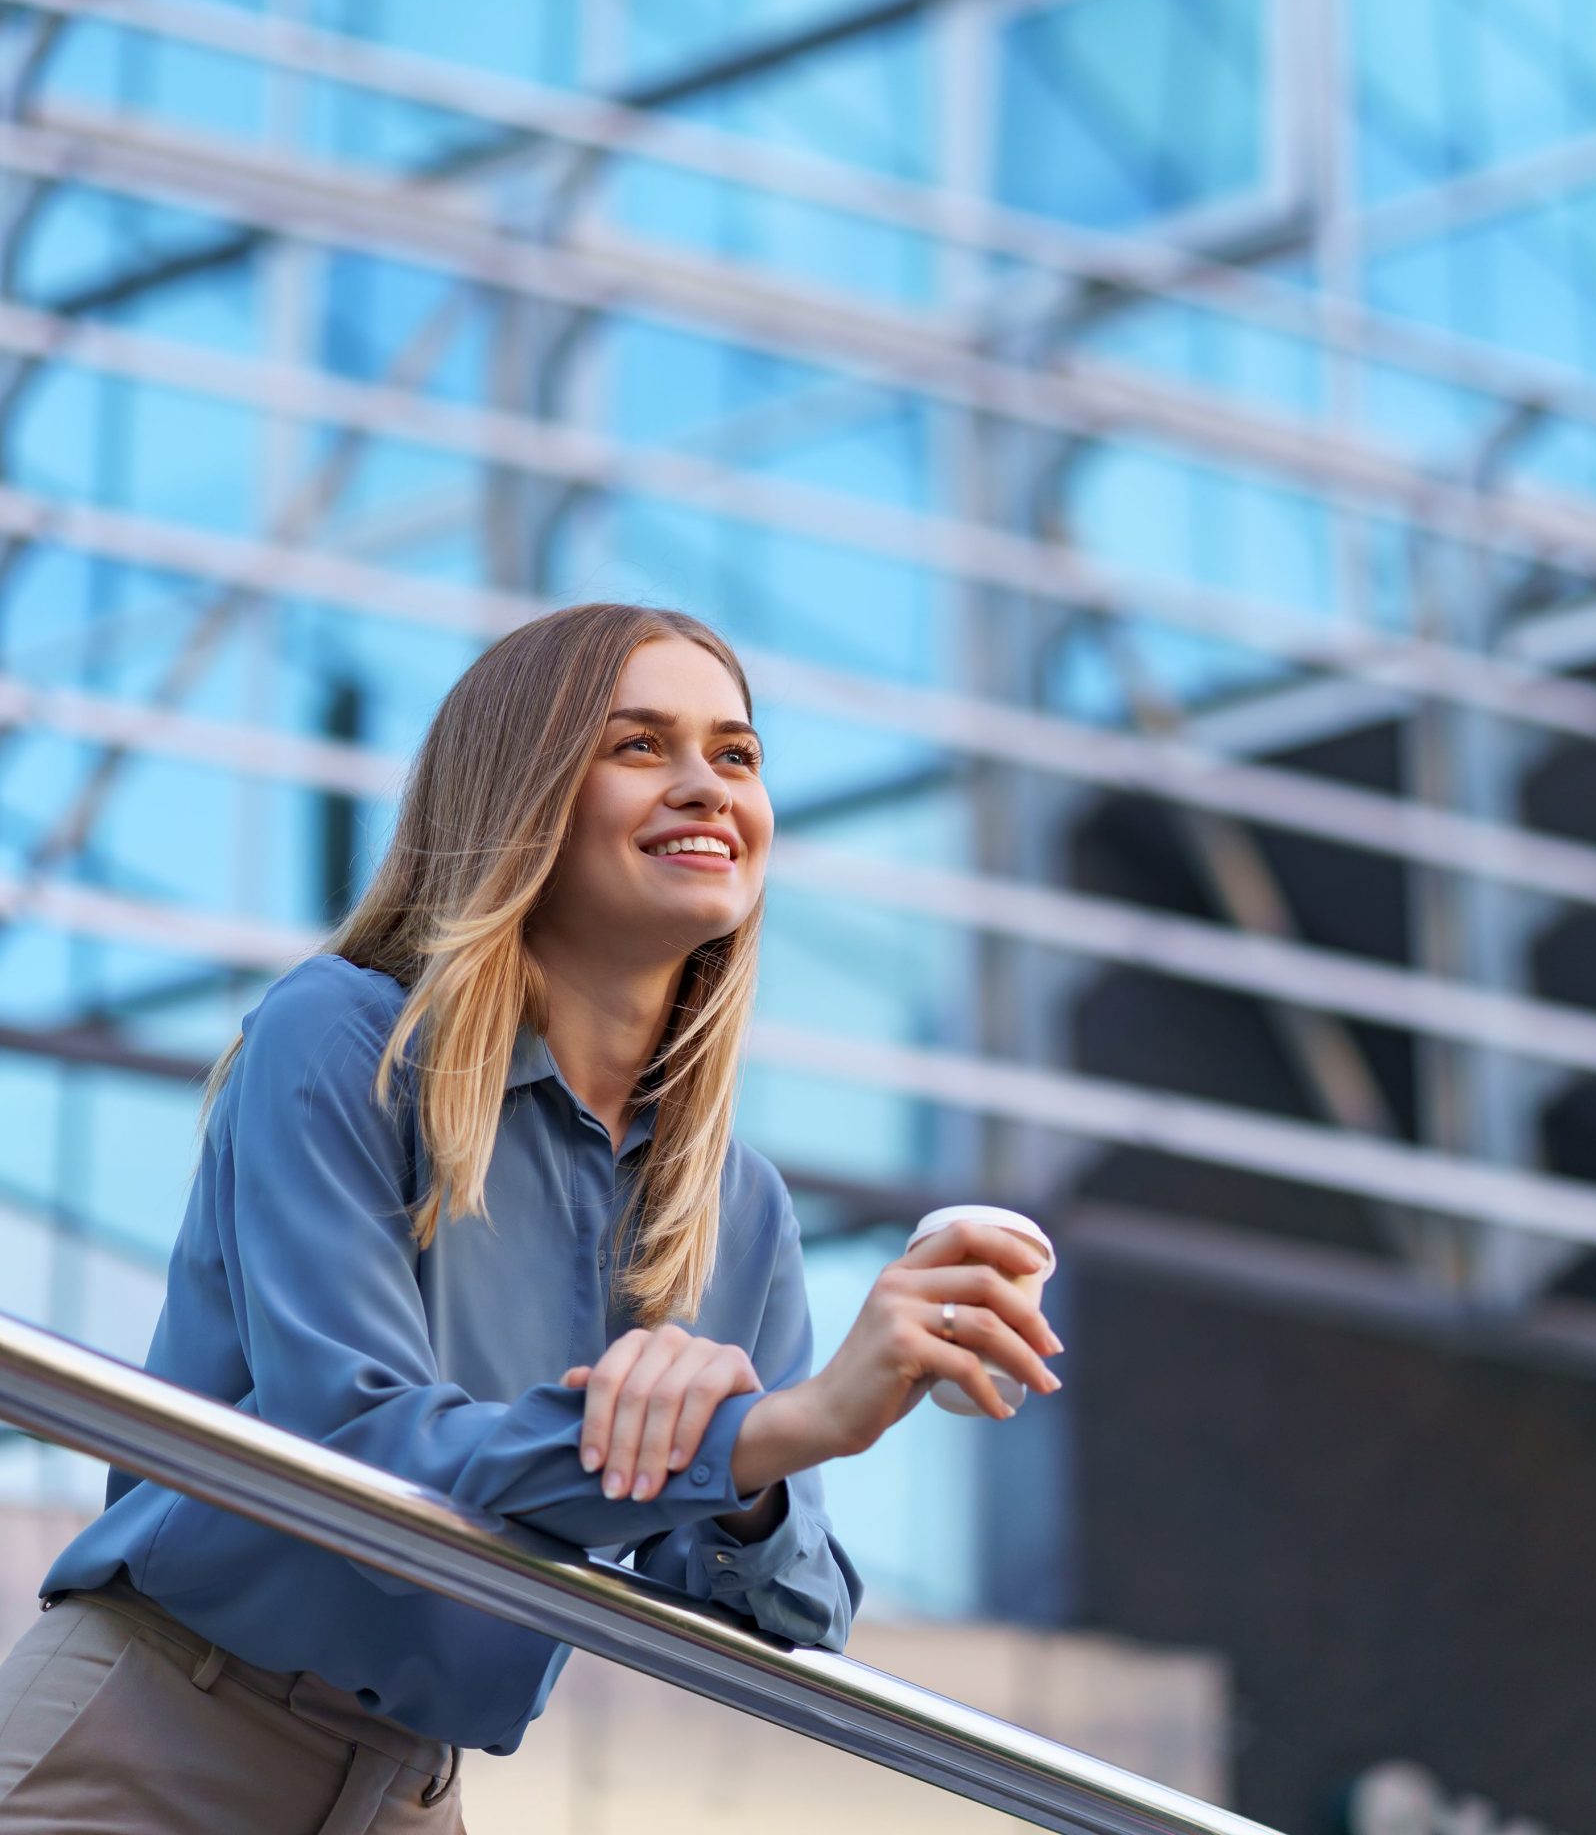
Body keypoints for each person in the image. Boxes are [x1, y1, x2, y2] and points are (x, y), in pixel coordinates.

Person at [0, 603, 1064, 1831]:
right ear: (524, 794)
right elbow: (355, 1457)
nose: (704, 787)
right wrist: (770, 1423)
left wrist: (759, 1470)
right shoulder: (339, 1039)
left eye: (736, 754)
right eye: (637, 745)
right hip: (159, 1734)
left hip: (412, 1786)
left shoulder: (738, 1207)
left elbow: (787, 1615)